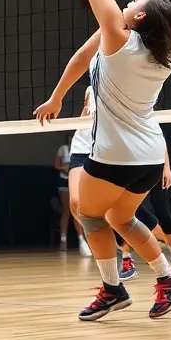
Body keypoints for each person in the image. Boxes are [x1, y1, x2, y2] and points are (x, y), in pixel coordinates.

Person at [34, 0, 171, 322]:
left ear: (137, 17)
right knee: (122, 219)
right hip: (145, 156)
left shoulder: (118, 37)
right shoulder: (155, 55)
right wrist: (59, 95)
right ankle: (167, 275)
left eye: (133, 1)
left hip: (118, 154)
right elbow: (84, 57)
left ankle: (112, 288)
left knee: (87, 214)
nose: (124, 1)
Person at [65, 87, 96, 257]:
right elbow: (84, 114)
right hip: (81, 149)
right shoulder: (91, 89)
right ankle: (91, 236)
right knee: (75, 202)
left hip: (104, 152)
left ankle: (121, 246)